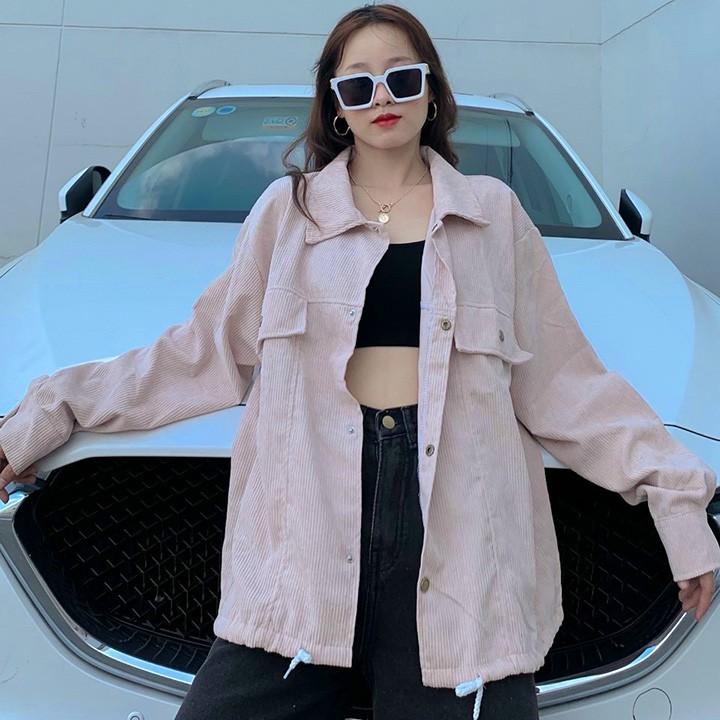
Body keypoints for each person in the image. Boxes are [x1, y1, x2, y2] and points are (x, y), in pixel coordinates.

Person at [1, 4, 718, 720]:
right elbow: (200, 352)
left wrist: (677, 500)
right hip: (301, 549)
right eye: (358, 84)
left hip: (461, 561)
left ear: (431, 92)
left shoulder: (495, 217)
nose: (382, 98)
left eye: (402, 78)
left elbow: (567, 385)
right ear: (336, 106)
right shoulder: (287, 215)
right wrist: (49, 411)